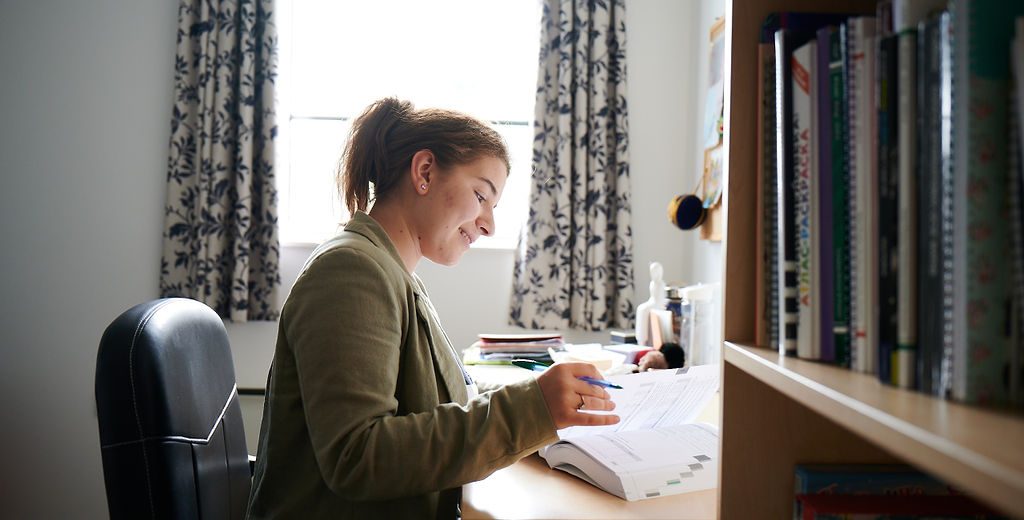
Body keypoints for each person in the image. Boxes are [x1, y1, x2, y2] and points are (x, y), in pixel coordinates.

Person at [246, 98, 620, 519]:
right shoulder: (350, 272)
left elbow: (436, 404)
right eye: (481, 195)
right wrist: (534, 409)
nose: (488, 224)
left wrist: (541, 408)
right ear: (424, 172)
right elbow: (359, 456)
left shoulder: (395, 275)